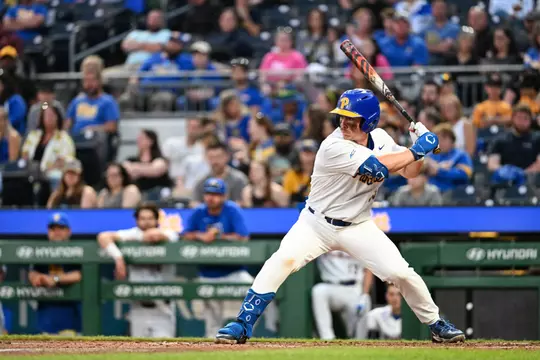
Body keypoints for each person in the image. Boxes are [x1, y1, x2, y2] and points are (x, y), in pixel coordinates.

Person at [215, 88, 465, 344]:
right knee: (283, 259)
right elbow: (378, 168)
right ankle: (243, 323)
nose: (344, 122)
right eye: (341, 116)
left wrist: (419, 149)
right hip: (316, 223)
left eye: (351, 118)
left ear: (369, 122)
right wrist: (416, 149)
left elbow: (411, 172)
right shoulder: (332, 145)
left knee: (400, 272)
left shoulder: (380, 137)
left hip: (357, 225)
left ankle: (436, 324)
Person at [97, 202, 178, 338]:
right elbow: (103, 237)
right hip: (138, 308)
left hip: (162, 309)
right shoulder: (132, 233)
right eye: (142, 218)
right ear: (137, 220)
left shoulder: (168, 233)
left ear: (157, 220)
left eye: (150, 218)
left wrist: (137, 237)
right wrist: (118, 258)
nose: (146, 222)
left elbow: (154, 236)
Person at [183, 178, 252, 338]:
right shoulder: (199, 211)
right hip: (207, 274)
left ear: (223, 196)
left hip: (233, 272)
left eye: (215, 194)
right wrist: (201, 236)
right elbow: (185, 235)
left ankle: (247, 338)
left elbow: (243, 237)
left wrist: (218, 235)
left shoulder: (231, 210)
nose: (211, 198)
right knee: (211, 323)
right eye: (208, 193)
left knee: (254, 293)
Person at [28, 213, 82, 335]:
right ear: (48, 231)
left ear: (69, 231)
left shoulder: (77, 250)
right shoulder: (40, 251)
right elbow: (32, 272)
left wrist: (56, 279)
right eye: (53, 229)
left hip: (71, 312)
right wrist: (38, 277)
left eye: (61, 228)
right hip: (47, 312)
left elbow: (80, 274)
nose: (57, 232)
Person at [312, 251, 374, 340]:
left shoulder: (359, 241)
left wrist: (365, 294)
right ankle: (327, 339)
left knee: (366, 302)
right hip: (331, 286)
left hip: (354, 288)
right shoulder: (324, 240)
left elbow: (369, 269)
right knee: (318, 291)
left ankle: (360, 343)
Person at [21, 103, 75, 191]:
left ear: (58, 117)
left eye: (52, 115)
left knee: (56, 176)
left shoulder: (64, 138)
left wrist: (46, 171)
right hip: (31, 172)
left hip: (51, 173)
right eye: (46, 115)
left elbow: (65, 161)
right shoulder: (33, 135)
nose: (49, 118)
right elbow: (25, 155)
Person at [488, 105, 540, 174]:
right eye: (519, 118)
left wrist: (523, 173)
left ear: (531, 120)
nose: (522, 122)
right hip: (505, 179)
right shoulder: (499, 139)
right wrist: (507, 172)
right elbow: (492, 164)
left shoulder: (537, 138)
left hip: (531, 179)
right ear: (512, 119)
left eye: (526, 118)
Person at [66, 70, 119, 135]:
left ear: (99, 82)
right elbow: (68, 123)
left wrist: (92, 129)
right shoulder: (77, 101)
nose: (89, 84)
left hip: (97, 141)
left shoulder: (108, 101)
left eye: (92, 80)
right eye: (86, 81)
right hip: (76, 140)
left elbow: (112, 127)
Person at [424, 124, 473, 192]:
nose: (440, 143)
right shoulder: (429, 156)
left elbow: (466, 174)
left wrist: (439, 171)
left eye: (443, 139)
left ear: (452, 140)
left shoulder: (461, 155)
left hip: (453, 193)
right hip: (431, 193)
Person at [124, 129, 171, 198]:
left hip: (157, 193)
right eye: (138, 138)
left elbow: (155, 170)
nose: (138, 140)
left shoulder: (160, 159)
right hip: (139, 193)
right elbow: (125, 171)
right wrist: (145, 169)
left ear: (151, 141)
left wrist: (135, 168)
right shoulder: (131, 159)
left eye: (142, 138)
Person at [423, 0, 460, 65]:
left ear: (446, 9)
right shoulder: (425, 28)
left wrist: (452, 45)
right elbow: (422, 46)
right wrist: (440, 48)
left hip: (449, 62)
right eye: (437, 8)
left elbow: (461, 46)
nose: (439, 11)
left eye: (441, 8)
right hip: (430, 63)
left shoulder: (455, 28)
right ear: (432, 9)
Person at [282, 139, 317, 205]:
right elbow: (286, 196)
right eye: (305, 152)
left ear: (316, 154)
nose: (307, 155)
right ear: (299, 154)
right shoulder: (291, 174)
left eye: (310, 152)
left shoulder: (321, 174)